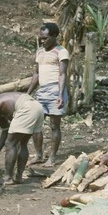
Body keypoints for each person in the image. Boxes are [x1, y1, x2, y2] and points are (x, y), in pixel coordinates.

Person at [0, 91, 44, 184]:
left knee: (10, 143)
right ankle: (18, 177)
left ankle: (7, 178)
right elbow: (6, 130)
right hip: (36, 107)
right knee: (22, 143)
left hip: (25, 107)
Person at [27, 22, 69, 167]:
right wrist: (28, 93)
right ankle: (38, 155)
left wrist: (60, 95)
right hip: (42, 91)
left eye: (45, 38)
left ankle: (52, 157)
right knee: (35, 124)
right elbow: (36, 74)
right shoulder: (39, 52)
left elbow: (63, 74)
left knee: (54, 126)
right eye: (41, 38)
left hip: (55, 90)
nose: (43, 41)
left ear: (54, 36)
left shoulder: (61, 52)